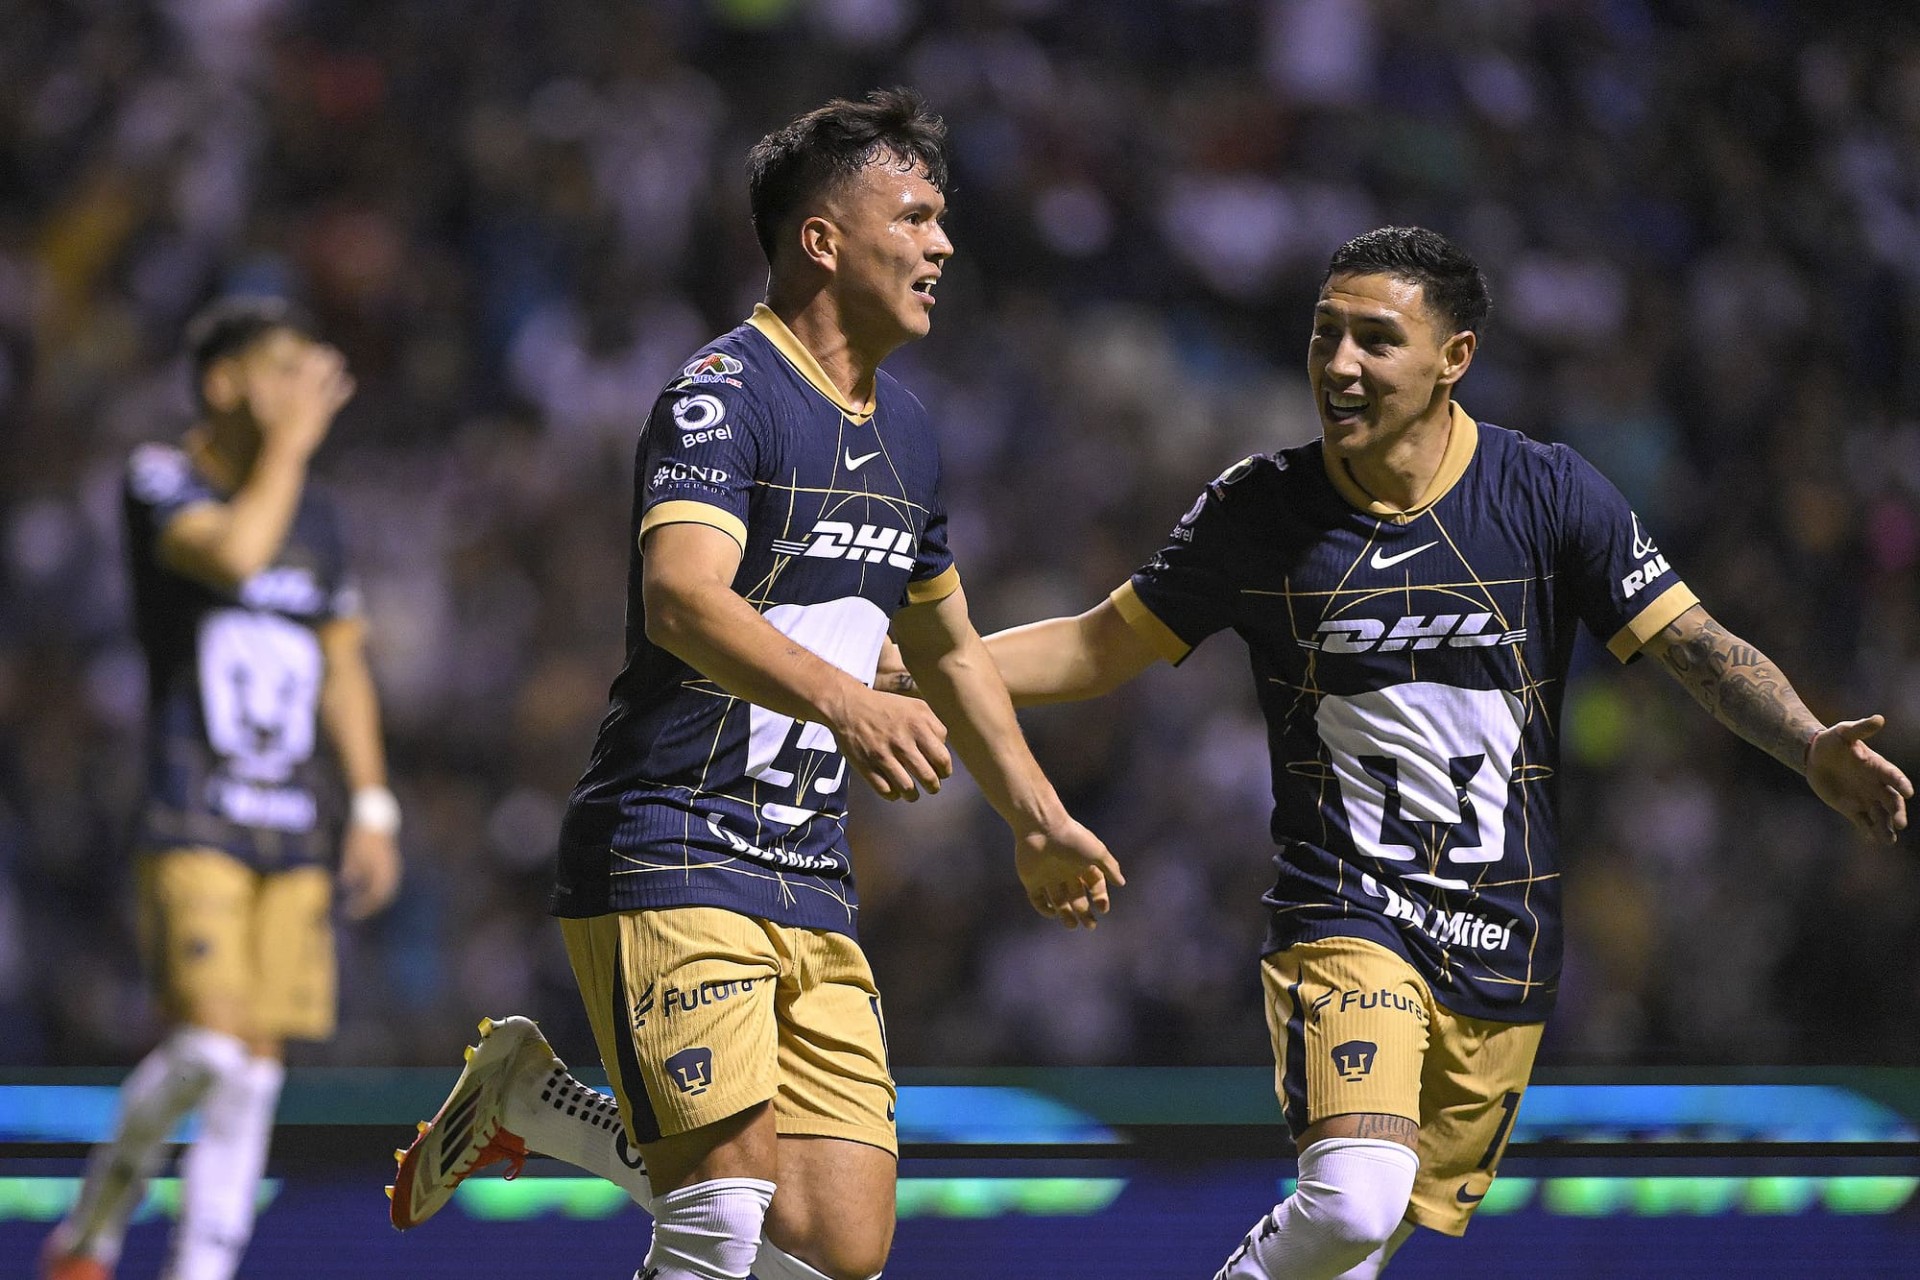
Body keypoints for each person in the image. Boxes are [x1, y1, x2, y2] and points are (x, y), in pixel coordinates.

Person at [884, 226, 1912, 1280]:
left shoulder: (1548, 493)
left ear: (1454, 357)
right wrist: (923, 666)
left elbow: (1693, 644)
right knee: (1352, 1202)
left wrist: (1806, 743)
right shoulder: (1261, 508)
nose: (1339, 364)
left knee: (1360, 1248)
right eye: (1325, 333)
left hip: (1502, 935)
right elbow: (1098, 644)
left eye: (1376, 339)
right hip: (1346, 908)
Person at [388, 88, 1123, 1280]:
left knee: (838, 1247)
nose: (942, 244)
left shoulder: (911, 433)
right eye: (916, 217)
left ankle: (540, 1105)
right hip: (670, 837)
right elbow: (683, 598)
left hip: (808, 868)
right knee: (722, 1211)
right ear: (823, 240)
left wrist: (1036, 816)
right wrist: (849, 699)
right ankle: (563, 1116)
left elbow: (949, 648)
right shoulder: (723, 393)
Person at [41, 298, 403, 1280]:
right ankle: (96, 1221)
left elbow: (342, 663)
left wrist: (373, 804)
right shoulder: (161, 478)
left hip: (295, 821)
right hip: (191, 803)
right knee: (210, 1047)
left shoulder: (321, 516)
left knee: (257, 1068)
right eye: (281, 371)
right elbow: (236, 552)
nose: (302, 394)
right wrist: (289, 448)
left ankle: (194, 1267)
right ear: (223, 382)